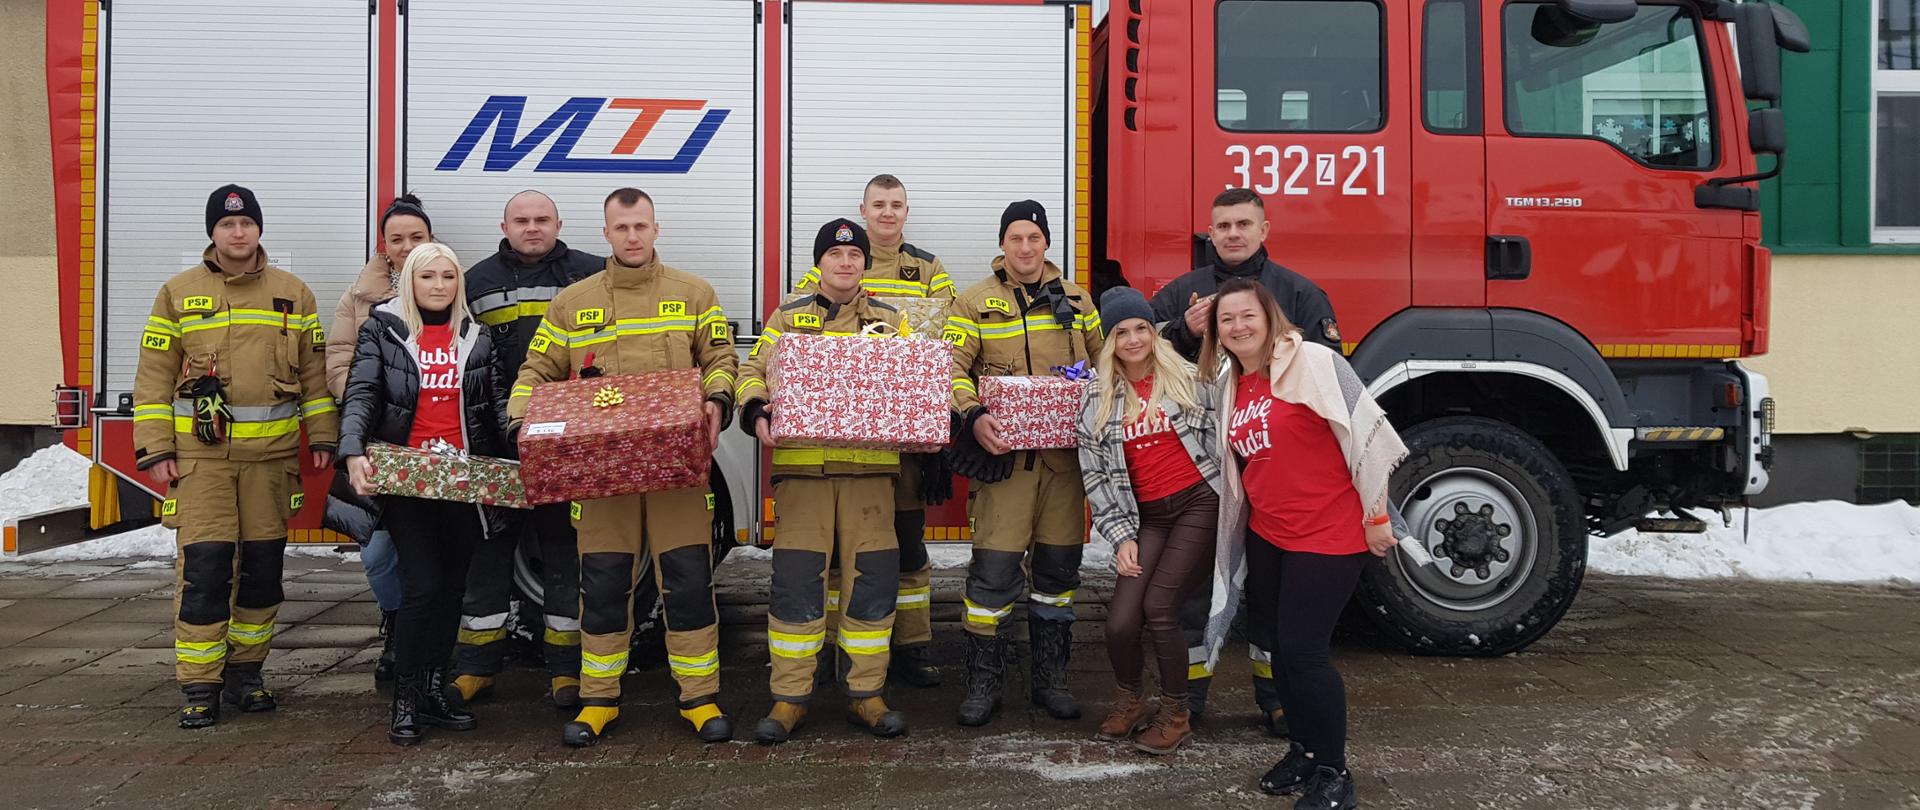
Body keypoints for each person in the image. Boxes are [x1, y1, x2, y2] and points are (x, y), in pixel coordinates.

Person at [510, 187, 739, 747]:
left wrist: (719, 400)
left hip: (678, 476)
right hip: (602, 479)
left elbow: (721, 359)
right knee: (605, 585)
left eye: (641, 226)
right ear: (606, 233)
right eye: (621, 228)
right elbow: (535, 370)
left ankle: (699, 697)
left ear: (656, 229)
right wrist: (523, 423)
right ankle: (599, 699)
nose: (632, 237)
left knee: (687, 583)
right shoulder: (572, 303)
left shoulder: (694, 294)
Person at [132, 185, 339, 728]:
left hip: (271, 464)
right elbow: (152, 381)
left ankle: (248, 674)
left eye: (246, 222)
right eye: (227, 225)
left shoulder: (294, 295)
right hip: (203, 465)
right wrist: (155, 448)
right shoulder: (177, 294)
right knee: (205, 570)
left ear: (259, 229)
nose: (238, 232)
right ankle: (200, 685)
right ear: (213, 232)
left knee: (263, 573)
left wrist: (323, 437)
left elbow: (315, 380)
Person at [1198, 279, 1407, 810]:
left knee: (1304, 653)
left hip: (1329, 532)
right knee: (1274, 647)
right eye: (1227, 320)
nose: (1239, 327)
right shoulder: (1230, 381)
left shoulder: (1315, 362)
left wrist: (1379, 514)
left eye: (1248, 316)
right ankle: (1304, 752)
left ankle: (1335, 772)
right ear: (1216, 332)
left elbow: (1369, 436)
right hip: (1270, 533)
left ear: (1269, 318)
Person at [1151, 186, 1341, 728]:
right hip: (1202, 471)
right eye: (1222, 226)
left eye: (1243, 224)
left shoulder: (1300, 294)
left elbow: (1331, 375)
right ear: (1209, 233)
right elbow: (1135, 352)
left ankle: (1277, 698)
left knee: (1271, 592)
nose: (1232, 234)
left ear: (1264, 230)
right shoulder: (1182, 294)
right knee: (1193, 588)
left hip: (1276, 472)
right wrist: (1181, 333)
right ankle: (1187, 702)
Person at [738, 218, 911, 743]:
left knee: (872, 586)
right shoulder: (788, 317)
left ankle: (868, 695)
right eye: (835, 256)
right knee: (796, 585)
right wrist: (753, 410)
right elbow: (753, 370)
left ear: (865, 262)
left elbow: (913, 377)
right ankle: (789, 698)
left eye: (855, 255)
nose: (845, 263)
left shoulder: (890, 317)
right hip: (804, 476)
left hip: (870, 477)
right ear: (819, 263)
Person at [338, 243, 509, 745]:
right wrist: (353, 452)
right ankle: (406, 700)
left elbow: (495, 407)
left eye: (448, 276)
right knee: (423, 587)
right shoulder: (383, 331)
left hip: (462, 481)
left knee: (454, 588)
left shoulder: (477, 338)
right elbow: (362, 392)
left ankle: (435, 692)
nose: (438, 285)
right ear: (410, 280)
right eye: (427, 276)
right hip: (406, 479)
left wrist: (528, 450)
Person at [942, 200, 1104, 726]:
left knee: (1058, 576)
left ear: (1046, 243)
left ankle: (1050, 681)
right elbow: (952, 369)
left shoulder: (1078, 300)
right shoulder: (972, 302)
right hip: (1004, 465)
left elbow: (1107, 367)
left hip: (1064, 467)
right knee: (991, 578)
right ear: (1002, 244)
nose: (1026, 247)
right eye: (1016, 238)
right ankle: (983, 685)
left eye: (1034, 237)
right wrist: (972, 416)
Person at [796, 174, 952, 688]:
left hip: (906, 444)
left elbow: (946, 336)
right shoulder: (818, 275)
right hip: (845, 441)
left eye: (896, 205)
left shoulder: (929, 268)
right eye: (878, 204)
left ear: (908, 210)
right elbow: (801, 343)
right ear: (862, 209)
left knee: (907, 548)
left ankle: (912, 646)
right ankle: (839, 648)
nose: (888, 213)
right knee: (846, 554)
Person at [450, 190, 601, 711]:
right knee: (487, 553)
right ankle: (475, 668)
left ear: (559, 222)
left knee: (563, 552)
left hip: (567, 440)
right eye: (522, 220)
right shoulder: (476, 281)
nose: (532, 228)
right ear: (504, 224)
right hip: (496, 438)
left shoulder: (591, 273)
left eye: (542, 220)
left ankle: (565, 671)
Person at [1076, 287, 1222, 755]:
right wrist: (1120, 537)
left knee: (1160, 608)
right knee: (1120, 621)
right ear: (1109, 339)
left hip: (1200, 502)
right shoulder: (1096, 396)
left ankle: (1177, 714)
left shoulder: (1188, 376)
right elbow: (1094, 476)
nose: (1134, 339)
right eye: (1122, 332)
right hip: (1149, 518)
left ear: (1153, 333)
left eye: (1142, 328)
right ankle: (1132, 701)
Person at [324, 193, 435, 687]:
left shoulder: (449, 286)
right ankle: (395, 625)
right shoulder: (358, 299)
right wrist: (383, 400)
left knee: (441, 552)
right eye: (398, 239)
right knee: (378, 553)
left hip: (437, 445)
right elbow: (338, 363)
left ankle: (433, 643)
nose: (408, 247)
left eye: (417, 237)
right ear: (383, 246)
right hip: (382, 444)